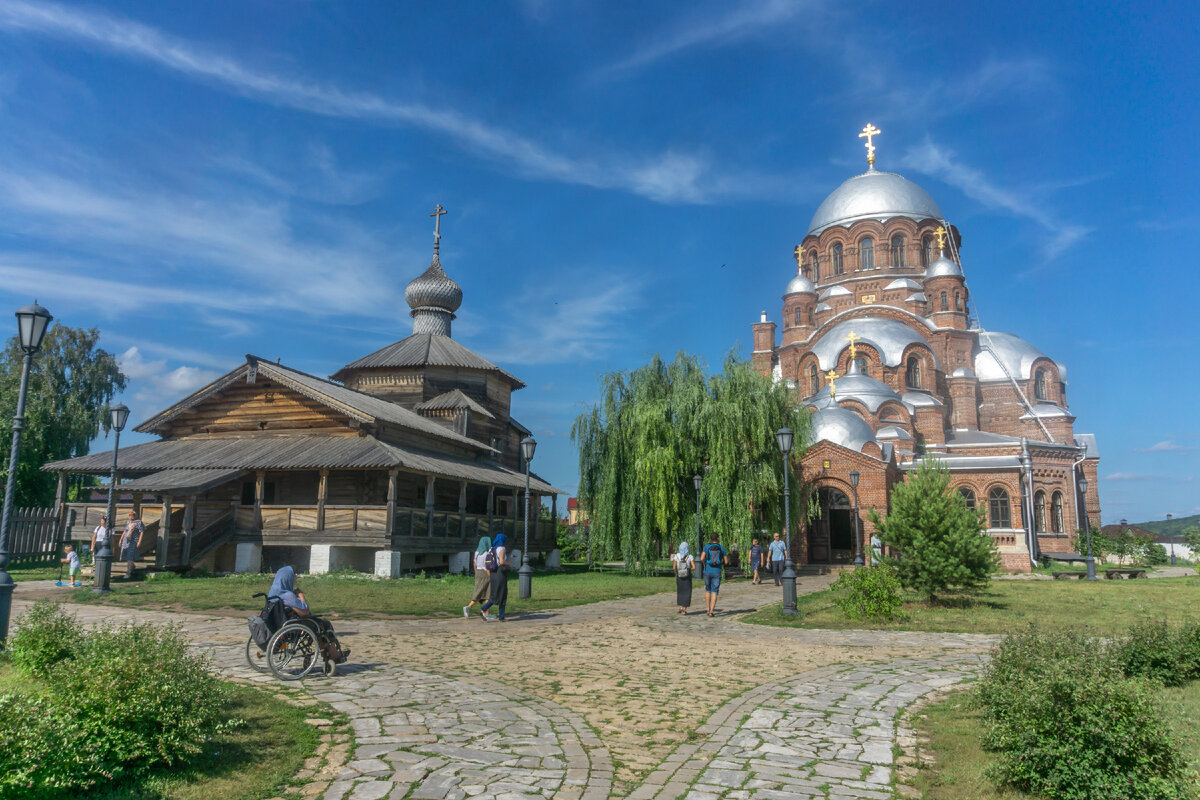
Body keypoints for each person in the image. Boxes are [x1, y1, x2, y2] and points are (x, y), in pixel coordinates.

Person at [268, 566, 349, 663]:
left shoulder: (273, 593)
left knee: (318, 627)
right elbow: (304, 611)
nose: (296, 578)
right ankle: (334, 655)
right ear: (288, 578)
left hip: (281, 624)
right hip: (295, 625)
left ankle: (328, 654)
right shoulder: (287, 595)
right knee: (325, 625)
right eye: (294, 576)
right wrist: (301, 595)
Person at [479, 532, 509, 621]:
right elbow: (502, 562)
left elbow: (486, 564)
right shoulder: (502, 548)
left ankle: (484, 608)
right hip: (500, 573)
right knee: (502, 594)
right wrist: (509, 563)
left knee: (494, 594)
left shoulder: (491, 549)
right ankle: (501, 617)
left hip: (493, 573)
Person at [700, 533, 728, 617]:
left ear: (711, 539)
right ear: (718, 538)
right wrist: (721, 564)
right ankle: (711, 611)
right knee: (714, 591)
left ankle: (707, 609)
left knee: (708, 589)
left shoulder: (706, 547)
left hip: (707, 571)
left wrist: (705, 563)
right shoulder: (721, 548)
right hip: (717, 571)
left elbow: (701, 558)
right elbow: (726, 562)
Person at [464, 535, 492, 618]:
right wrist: (490, 575)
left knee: (480, 591)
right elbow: (487, 566)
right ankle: (484, 612)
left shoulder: (477, 552)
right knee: (487, 593)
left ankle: (483, 611)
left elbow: (474, 564)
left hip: (478, 573)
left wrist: (476, 572)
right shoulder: (487, 553)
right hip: (485, 573)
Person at [119, 511, 145, 580]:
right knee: (126, 556)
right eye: (130, 515)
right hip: (126, 541)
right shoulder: (128, 522)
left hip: (133, 541)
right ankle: (132, 566)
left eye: (132, 515)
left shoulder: (139, 522)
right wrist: (120, 540)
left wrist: (139, 541)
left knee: (130, 556)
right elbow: (125, 531)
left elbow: (141, 532)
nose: (131, 516)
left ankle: (128, 572)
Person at [671, 541, 694, 614]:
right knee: (687, 592)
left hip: (679, 576)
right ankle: (684, 609)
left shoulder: (676, 556)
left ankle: (681, 607)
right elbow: (694, 567)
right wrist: (688, 570)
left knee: (680, 591)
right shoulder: (690, 556)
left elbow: (674, 567)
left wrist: (677, 572)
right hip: (687, 576)